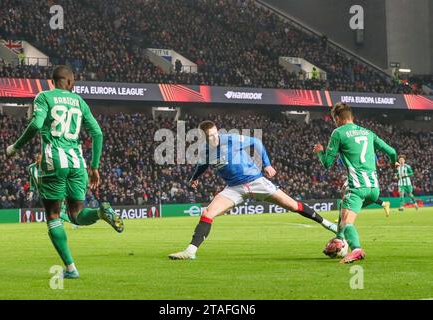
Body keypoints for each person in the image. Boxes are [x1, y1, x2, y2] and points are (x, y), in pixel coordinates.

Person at [6, 65, 124, 278]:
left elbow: (35, 125)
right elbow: (97, 133)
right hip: (78, 163)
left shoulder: (44, 97)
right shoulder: (79, 101)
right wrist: (94, 167)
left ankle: (71, 269)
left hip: (53, 162)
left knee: (53, 216)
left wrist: (15, 147)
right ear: (70, 82)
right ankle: (100, 212)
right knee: (77, 215)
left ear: (53, 81)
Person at [168, 120, 337, 260]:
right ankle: (190, 251)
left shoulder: (231, 139)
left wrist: (267, 164)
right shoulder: (205, 151)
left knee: (294, 206)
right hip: (234, 188)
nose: (213, 138)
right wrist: (194, 178)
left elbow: (256, 142)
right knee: (207, 213)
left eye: (214, 134)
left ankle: (329, 225)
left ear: (217, 131)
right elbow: (203, 164)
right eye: (209, 136)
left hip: (256, 181)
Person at [313, 102, 397, 264]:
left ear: (337, 119)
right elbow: (392, 152)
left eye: (334, 120)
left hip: (358, 187)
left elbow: (327, 163)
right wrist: (393, 163)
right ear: (352, 117)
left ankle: (356, 249)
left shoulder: (338, 133)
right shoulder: (368, 133)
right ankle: (339, 238)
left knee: (346, 221)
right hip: (374, 189)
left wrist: (319, 152)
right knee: (343, 198)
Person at [27, 152, 78, 227]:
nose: (42, 160)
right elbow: (32, 179)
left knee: (58, 210)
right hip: (42, 193)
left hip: (53, 189)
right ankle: (69, 222)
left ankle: (73, 222)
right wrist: (31, 191)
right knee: (56, 211)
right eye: (40, 159)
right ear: (37, 159)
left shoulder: (48, 167)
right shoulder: (31, 168)